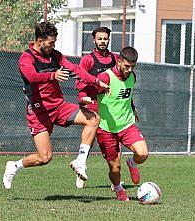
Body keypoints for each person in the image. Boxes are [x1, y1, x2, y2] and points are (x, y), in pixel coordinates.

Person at [2, 21, 109, 190]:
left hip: (58, 106)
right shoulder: (26, 58)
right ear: (39, 40)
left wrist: (97, 82)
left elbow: (76, 70)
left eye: (54, 42)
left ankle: (80, 161)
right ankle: (14, 166)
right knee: (44, 157)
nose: (53, 46)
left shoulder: (55, 55)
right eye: (50, 43)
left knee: (93, 119)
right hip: (38, 112)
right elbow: (31, 76)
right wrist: (53, 75)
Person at [95, 46, 149, 201]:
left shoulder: (133, 76)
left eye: (133, 66)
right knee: (115, 168)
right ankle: (118, 189)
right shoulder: (105, 78)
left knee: (143, 153)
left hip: (126, 125)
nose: (129, 69)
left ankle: (132, 162)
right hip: (106, 129)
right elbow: (88, 92)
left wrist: (132, 107)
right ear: (119, 61)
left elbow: (126, 94)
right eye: (126, 66)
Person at [73, 27, 120, 188]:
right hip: (93, 103)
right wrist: (82, 98)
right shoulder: (88, 60)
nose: (103, 42)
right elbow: (79, 81)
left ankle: (115, 178)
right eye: (100, 39)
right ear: (94, 40)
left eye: (105, 39)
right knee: (90, 139)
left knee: (111, 143)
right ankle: (81, 168)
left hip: (110, 106)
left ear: (109, 40)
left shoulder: (116, 59)